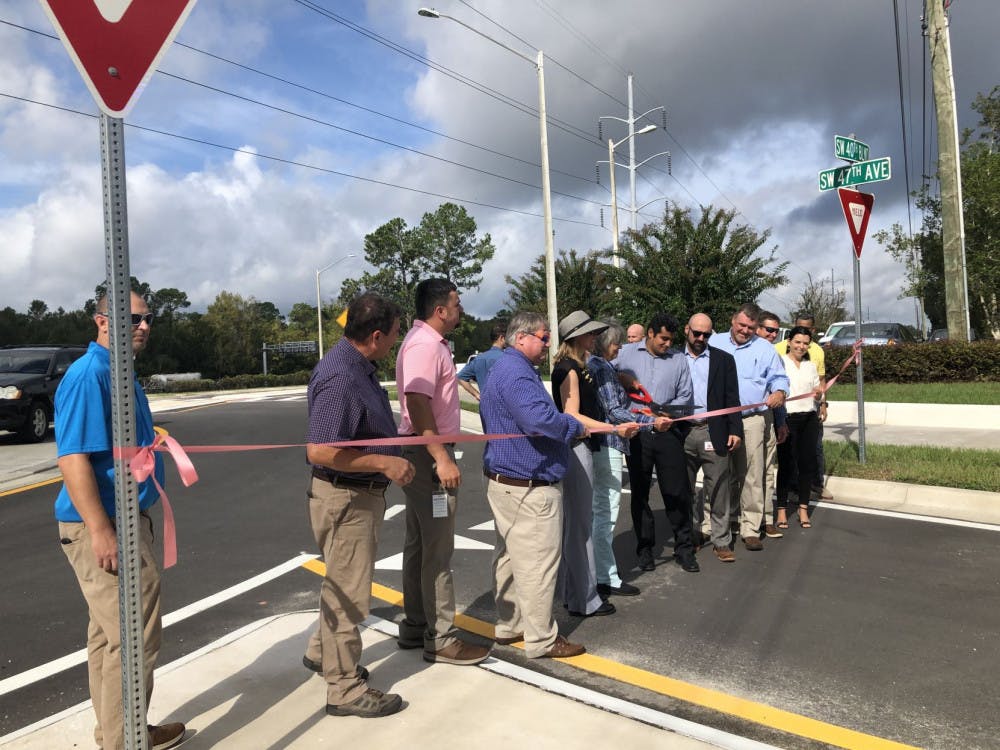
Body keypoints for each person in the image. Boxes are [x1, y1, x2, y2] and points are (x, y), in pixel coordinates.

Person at [54, 291, 186, 750]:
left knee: (110, 640)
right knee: (134, 640)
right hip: (108, 526)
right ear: (101, 321)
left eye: (148, 318)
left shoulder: (120, 371)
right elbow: (72, 459)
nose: (144, 326)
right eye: (132, 319)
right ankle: (124, 741)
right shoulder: (89, 376)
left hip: (127, 519)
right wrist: (101, 530)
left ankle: (121, 731)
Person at [304, 292, 415, 718]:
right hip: (346, 497)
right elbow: (321, 450)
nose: (396, 341)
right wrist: (384, 461)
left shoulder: (356, 366)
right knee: (348, 596)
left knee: (340, 584)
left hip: (354, 495)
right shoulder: (342, 377)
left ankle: (323, 653)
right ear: (374, 335)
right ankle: (344, 688)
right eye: (394, 334)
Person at [480, 311, 589, 658]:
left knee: (511, 558)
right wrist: (573, 427)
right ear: (521, 337)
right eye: (543, 338)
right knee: (539, 564)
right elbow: (539, 421)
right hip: (529, 485)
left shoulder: (506, 369)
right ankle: (541, 639)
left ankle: (510, 625)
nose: (547, 345)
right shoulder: (516, 374)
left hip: (508, 480)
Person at [395, 278, 490, 665]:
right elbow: (417, 402)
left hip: (423, 451)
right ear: (440, 310)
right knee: (437, 547)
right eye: (456, 302)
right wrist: (441, 456)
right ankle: (442, 638)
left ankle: (417, 624)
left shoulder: (429, 344)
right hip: (427, 453)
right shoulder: (424, 346)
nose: (460, 309)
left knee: (420, 543)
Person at [551, 311, 639, 617]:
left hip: (582, 446)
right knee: (580, 527)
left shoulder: (578, 367)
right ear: (576, 336)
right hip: (578, 448)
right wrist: (614, 429)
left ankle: (573, 593)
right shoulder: (570, 370)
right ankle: (584, 599)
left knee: (578, 523)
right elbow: (572, 415)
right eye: (589, 334)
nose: (594, 338)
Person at [589, 322, 669, 596]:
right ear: (602, 343)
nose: (620, 347)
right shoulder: (600, 368)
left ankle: (601, 569)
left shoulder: (602, 367)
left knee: (600, 511)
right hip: (609, 443)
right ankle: (605, 576)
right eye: (616, 342)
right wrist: (650, 420)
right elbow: (614, 410)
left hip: (604, 443)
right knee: (606, 512)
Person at [616, 313, 699, 573]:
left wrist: (669, 415)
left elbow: (686, 396)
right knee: (640, 493)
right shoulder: (625, 354)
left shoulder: (678, 360)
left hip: (667, 433)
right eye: (663, 338)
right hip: (638, 434)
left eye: (670, 340)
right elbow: (601, 371)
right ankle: (645, 550)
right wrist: (621, 379)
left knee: (676, 491)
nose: (667, 344)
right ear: (650, 333)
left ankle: (684, 548)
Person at [709, 303, 789, 552]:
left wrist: (778, 391)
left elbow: (779, 377)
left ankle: (750, 528)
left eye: (751, 327)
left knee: (751, 475)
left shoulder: (764, 348)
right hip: (719, 419)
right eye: (741, 325)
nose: (745, 331)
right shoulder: (715, 342)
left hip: (751, 419)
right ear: (733, 321)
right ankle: (720, 522)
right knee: (719, 474)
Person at [681, 313, 744, 563]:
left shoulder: (723, 360)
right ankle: (691, 536)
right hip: (683, 432)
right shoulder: (674, 359)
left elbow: (732, 399)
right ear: (687, 330)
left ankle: (721, 540)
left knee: (718, 490)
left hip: (713, 431)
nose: (700, 338)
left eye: (706, 334)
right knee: (684, 490)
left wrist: (735, 430)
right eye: (696, 333)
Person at [774, 312, 832, 500]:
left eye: (807, 331)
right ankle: (790, 488)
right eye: (798, 340)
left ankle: (816, 485)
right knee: (789, 454)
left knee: (814, 450)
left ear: (813, 331)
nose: (801, 345)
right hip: (788, 413)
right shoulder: (779, 351)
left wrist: (822, 402)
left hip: (810, 411)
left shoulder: (817, 352)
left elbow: (821, 380)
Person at [756, 311, 789, 539]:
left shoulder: (773, 354)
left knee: (767, 472)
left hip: (768, 418)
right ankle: (741, 517)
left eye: (776, 331)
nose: (773, 334)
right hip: (742, 419)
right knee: (745, 475)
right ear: (757, 328)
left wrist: (781, 421)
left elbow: (779, 387)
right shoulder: (743, 350)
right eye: (769, 329)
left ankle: (766, 519)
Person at [456, 322, 506, 401]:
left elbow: (461, 377)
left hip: (485, 406)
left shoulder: (479, 358)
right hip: (504, 407)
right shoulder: (508, 358)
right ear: (502, 338)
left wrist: (477, 394)